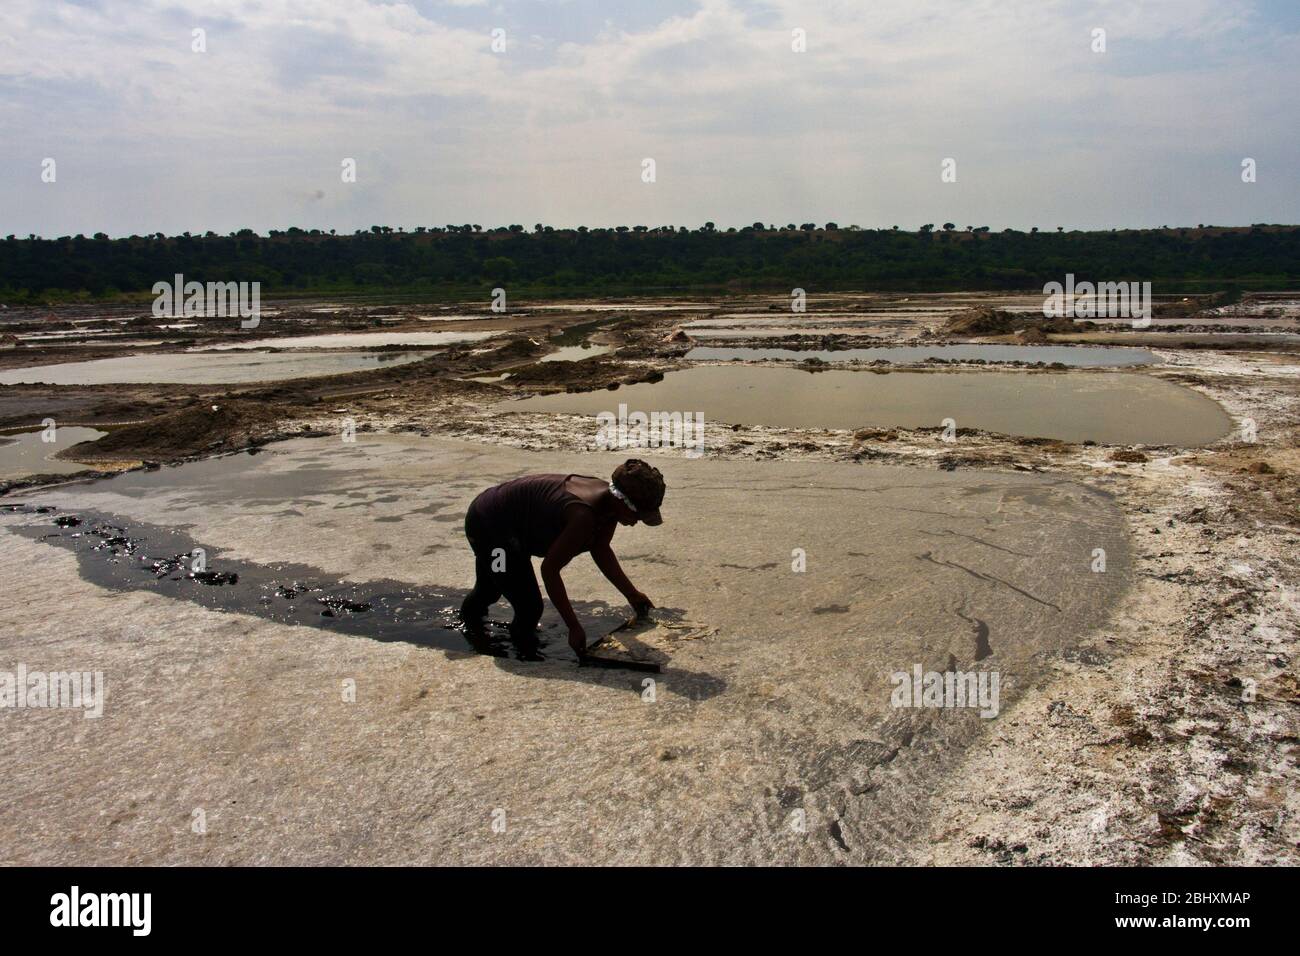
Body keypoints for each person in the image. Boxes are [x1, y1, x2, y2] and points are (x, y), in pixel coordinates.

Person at [460, 459, 665, 657]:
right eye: (638, 515)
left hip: (508, 523)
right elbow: (550, 570)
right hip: (490, 527)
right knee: (527, 607)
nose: (637, 522)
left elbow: (601, 549)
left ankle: (471, 623)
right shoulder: (583, 517)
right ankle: (519, 650)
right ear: (621, 500)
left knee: (492, 587)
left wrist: (632, 594)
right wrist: (573, 627)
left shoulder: (609, 506)